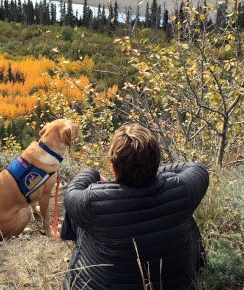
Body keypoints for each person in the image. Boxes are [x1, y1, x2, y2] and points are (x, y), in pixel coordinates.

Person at [61, 123, 209, 290]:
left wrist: (92, 173)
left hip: (102, 285)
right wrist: (146, 170)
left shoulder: (93, 202)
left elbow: (71, 192)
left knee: (81, 218)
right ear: (156, 160)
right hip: (179, 285)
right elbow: (195, 168)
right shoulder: (183, 190)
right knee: (183, 215)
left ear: (113, 167)